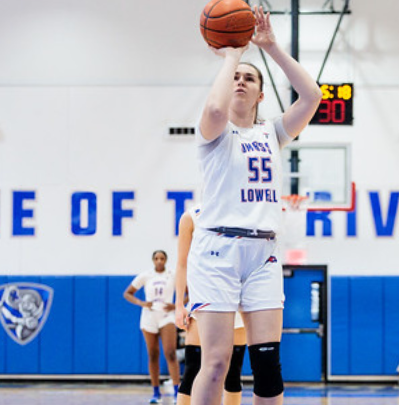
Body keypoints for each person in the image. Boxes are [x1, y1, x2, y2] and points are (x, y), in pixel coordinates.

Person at [188, 6, 322, 405]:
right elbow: (214, 108)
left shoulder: (271, 133)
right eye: (236, 78)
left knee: (268, 364)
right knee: (215, 363)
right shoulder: (214, 132)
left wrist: (272, 48)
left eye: (249, 77)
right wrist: (233, 51)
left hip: (263, 252)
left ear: (261, 94)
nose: (241, 81)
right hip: (217, 251)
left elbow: (312, 96)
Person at [175, 208, 248, 405]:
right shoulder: (191, 217)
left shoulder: (241, 213)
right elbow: (182, 264)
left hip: (236, 303)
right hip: (203, 302)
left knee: (233, 373)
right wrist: (179, 305)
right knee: (193, 370)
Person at [123, 250, 181, 404]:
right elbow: (127, 293)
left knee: (170, 353)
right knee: (153, 354)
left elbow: (188, 292)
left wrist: (176, 305)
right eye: (157, 258)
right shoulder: (146, 275)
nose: (159, 261)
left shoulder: (173, 274)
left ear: (166, 260)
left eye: (162, 258)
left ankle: (177, 392)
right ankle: (156, 393)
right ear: (153, 260)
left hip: (167, 315)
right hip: (149, 316)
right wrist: (141, 303)